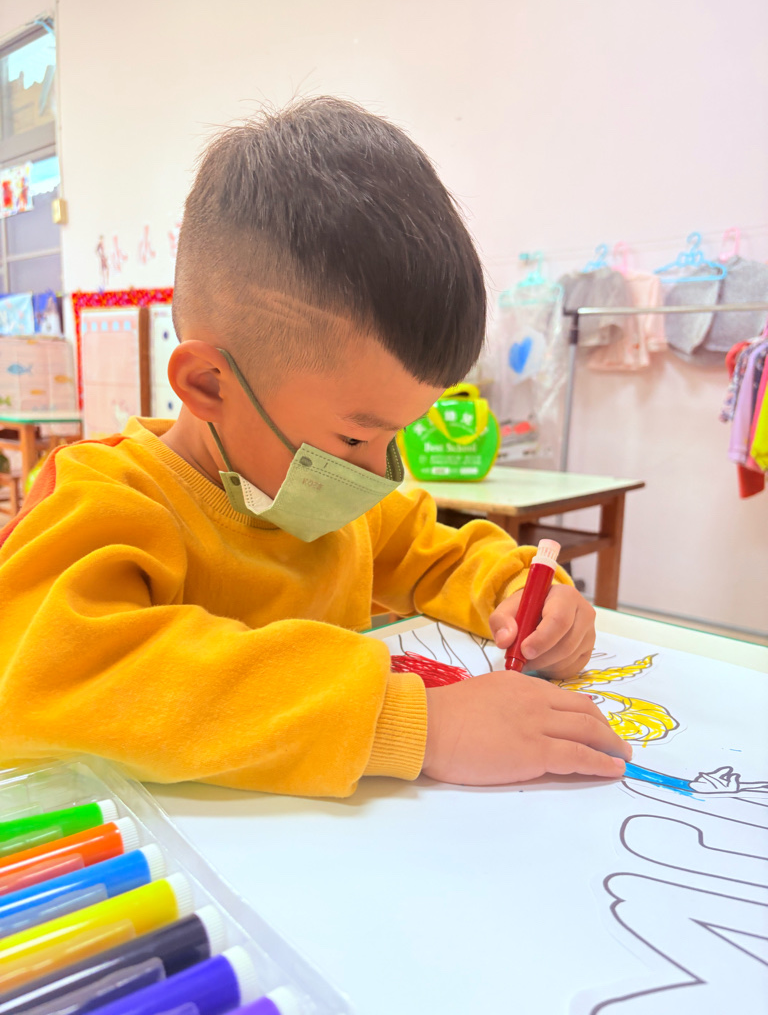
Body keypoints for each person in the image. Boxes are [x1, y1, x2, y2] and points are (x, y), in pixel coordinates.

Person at [0, 98, 631, 797]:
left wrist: (522, 594)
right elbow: (47, 680)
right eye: (356, 436)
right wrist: (418, 724)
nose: (379, 470)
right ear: (209, 384)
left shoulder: (342, 502)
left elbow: (444, 556)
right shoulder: (105, 501)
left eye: (397, 434)